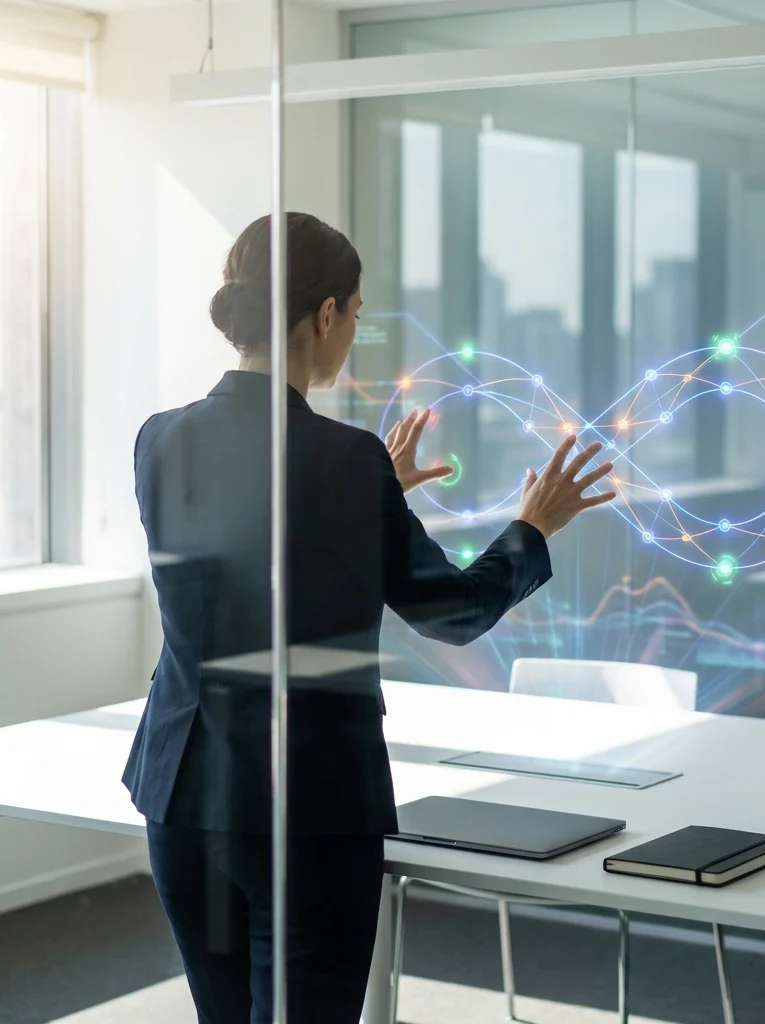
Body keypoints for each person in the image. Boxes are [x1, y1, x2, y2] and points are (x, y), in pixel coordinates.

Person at [123, 212, 615, 1024]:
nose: (354, 331)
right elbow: (451, 612)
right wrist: (533, 528)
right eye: (356, 313)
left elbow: (246, 563)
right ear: (325, 315)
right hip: (307, 805)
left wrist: (370, 500)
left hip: (181, 794)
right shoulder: (345, 461)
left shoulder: (159, 439)